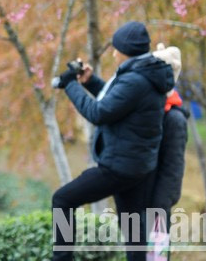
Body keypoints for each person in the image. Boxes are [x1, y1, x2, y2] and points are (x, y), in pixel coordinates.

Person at [51, 21, 174, 261]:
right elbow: (117, 103)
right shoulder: (146, 72)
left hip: (120, 167)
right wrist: (90, 82)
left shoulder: (135, 79)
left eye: (116, 48)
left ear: (125, 50)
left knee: (63, 199)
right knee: (133, 230)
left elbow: (98, 113)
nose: (114, 52)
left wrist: (71, 85)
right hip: (138, 166)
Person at [149, 44, 189, 259]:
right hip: (143, 198)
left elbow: (174, 168)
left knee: (155, 254)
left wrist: (159, 205)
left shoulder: (174, 119)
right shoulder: (152, 110)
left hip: (157, 205)